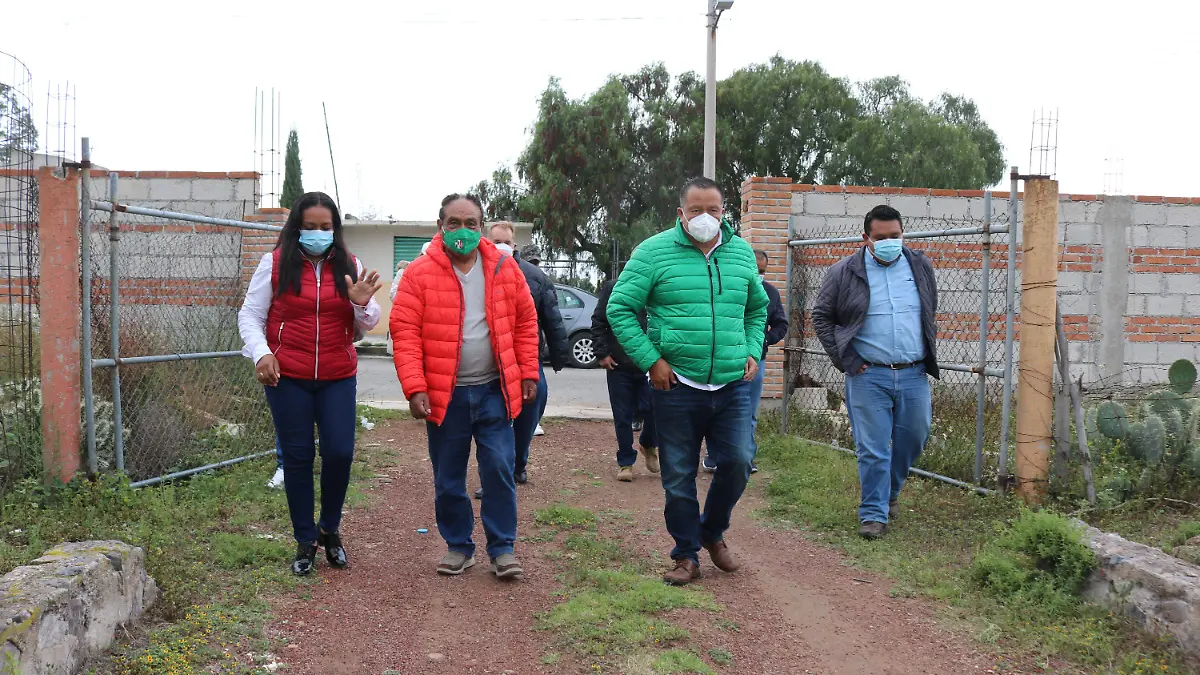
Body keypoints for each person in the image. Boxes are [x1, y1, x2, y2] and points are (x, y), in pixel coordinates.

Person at [607, 177, 768, 586]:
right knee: (678, 475)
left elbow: (757, 309)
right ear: (681, 213)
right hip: (675, 386)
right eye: (695, 210)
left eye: (712, 210)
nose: (704, 217)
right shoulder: (654, 252)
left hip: (731, 384)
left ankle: (711, 533)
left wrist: (751, 348)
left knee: (736, 463)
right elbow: (620, 308)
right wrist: (651, 360)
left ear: (723, 212)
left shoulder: (741, 253)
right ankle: (686, 555)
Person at [391, 193, 540, 579]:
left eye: (471, 223)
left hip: (495, 391)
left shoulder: (505, 269)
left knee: (499, 469)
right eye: (453, 223)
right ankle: (459, 546)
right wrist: (414, 387)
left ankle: (502, 548)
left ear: (481, 226)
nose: (462, 231)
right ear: (440, 227)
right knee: (448, 477)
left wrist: (528, 373)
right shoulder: (419, 274)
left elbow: (525, 323)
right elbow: (404, 333)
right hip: (446, 395)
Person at [238, 191, 383, 576]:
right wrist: (261, 353)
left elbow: (369, 323)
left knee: (339, 452)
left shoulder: (350, 265)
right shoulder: (273, 265)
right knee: (298, 457)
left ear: (334, 229)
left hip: (337, 376)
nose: (318, 233)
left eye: (325, 227)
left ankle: (329, 528)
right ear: (296, 228)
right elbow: (250, 316)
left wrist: (359, 303)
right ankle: (306, 540)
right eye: (310, 227)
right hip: (287, 378)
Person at [811, 204, 938, 540]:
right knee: (873, 447)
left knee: (915, 436)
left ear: (902, 234)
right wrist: (846, 360)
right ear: (866, 238)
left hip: (913, 373)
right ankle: (873, 514)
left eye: (895, 236)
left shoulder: (920, 266)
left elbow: (929, 309)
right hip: (868, 375)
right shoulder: (843, 272)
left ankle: (889, 491)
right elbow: (821, 316)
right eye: (881, 238)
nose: (889, 242)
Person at [472, 222, 568, 499]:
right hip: (490, 361)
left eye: (506, 241)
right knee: (493, 422)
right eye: (495, 240)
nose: (501, 245)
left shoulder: (534, 275)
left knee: (529, 415)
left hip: (526, 357)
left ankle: (518, 465)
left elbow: (552, 318)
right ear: (487, 242)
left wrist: (559, 356)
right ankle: (493, 476)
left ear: (514, 246)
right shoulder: (475, 273)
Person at [703, 249, 788, 475]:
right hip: (726, 360)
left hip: (755, 362)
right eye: (755, 270)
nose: (758, 274)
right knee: (717, 409)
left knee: (748, 412)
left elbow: (781, 325)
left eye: (762, 271)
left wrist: (763, 341)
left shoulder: (770, 292)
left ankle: (746, 457)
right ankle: (713, 456)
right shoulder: (728, 289)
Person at [591, 276, 658, 481]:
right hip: (619, 363)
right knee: (623, 416)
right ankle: (625, 462)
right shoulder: (614, 288)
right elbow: (599, 321)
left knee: (654, 409)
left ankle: (648, 443)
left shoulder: (658, 288)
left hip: (651, 363)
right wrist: (602, 353)